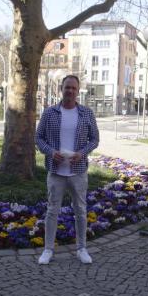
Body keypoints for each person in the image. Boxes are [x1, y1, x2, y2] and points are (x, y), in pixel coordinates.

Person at [35, 75, 99, 265]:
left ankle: (81, 248)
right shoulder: (49, 113)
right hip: (56, 171)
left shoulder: (86, 113)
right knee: (52, 210)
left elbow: (95, 139)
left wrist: (82, 153)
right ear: (60, 90)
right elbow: (38, 138)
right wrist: (50, 152)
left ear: (78, 91)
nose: (70, 91)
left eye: (73, 88)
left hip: (78, 171)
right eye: (67, 87)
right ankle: (48, 249)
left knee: (80, 210)